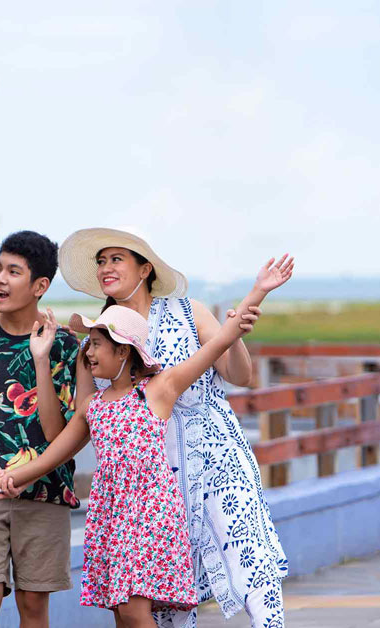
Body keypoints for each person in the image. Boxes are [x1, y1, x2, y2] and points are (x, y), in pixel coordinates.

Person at [0, 256, 293, 628]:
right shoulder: (93, 407)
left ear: (123, 351)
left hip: (150, 515)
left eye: (97, 344)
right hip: (113, 516)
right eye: (89, 344)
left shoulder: (158, 391)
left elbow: (222, 341)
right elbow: (52, 455)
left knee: (133, 609)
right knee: (123, 612)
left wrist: (258, 291)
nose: (88, 352)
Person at [58, 228, 292, 628]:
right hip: (153, 480)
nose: (106, 268)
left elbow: (240, 375)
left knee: (251, 559)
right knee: (167, 597)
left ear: (145, 269)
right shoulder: (98, 339)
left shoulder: (188, 311)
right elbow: (89, 416)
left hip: (217, 457)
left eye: (116, 259)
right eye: (101, 261)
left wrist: (234, 334)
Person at [0, 231, 80, 628]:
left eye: (13, 271)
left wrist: (41, 359)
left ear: (40, 286)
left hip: (44, 490)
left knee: (33, 602)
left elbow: (58, 434)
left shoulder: (65, 345)